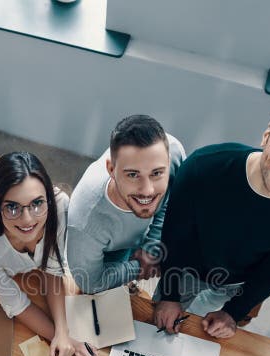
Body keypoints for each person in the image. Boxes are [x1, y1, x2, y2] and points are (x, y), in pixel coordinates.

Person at [154, 91, 270, 339]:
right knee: (157, 331)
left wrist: (233, 312)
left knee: (201, 342)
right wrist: (169, 296)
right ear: (267, 135)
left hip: (238, 284)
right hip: (185, 269)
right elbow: (173, 237)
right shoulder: (204, 167)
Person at [0, 152, 102, 356]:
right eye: (12, 207)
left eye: (37, 203)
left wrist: (65, 333)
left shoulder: (59, 205)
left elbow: (52, 269)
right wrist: (64, 341)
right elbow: (18, 304)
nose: (27, 220)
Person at [67, 115, 185, 294]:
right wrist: (138, 267)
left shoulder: (173, 151)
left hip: (138, 232)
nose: (148, 190)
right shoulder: (85, 225)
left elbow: (171, 199)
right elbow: (91, 282)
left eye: (157, 173)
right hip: (109, 247)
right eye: (132, 174)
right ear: (111, 170)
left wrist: (151, 246)